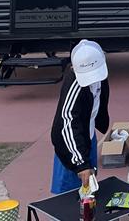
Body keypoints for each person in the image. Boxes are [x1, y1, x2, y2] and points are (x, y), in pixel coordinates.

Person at [50, 40, 110, 194]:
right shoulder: (75, 85)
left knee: (88, 187)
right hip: (70, 145)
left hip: (88, 135)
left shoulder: (102, 75)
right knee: (67, 193)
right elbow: (67, 122)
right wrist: (80, 163)